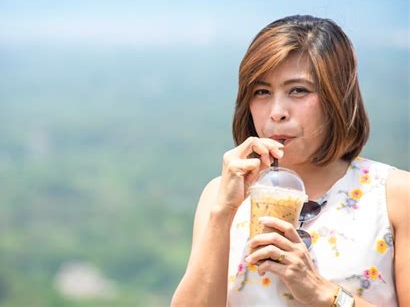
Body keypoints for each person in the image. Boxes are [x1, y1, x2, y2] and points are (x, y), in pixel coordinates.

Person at [171, 15, 409, 306]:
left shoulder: (394, 196)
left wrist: (324, 294)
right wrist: (223, 212)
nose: (277, 112)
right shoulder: (220, 196)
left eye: (298, 90)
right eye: (261, 92)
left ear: (338, 96)